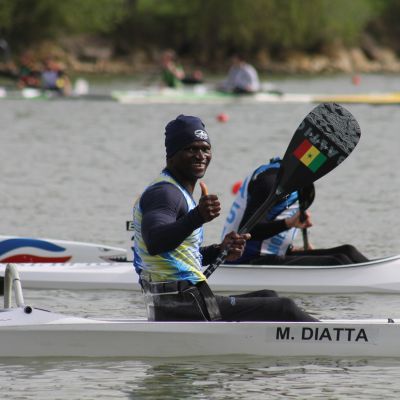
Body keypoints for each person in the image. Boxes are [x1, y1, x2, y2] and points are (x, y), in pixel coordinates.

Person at [132, 115, 317, 322]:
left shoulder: (177, 191)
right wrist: (197, 217)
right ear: (172, 155)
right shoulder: (165, 193)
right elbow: (155, 242)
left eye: (205, 149)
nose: (200, 155)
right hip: (180, 304)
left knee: (269, 296)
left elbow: (181, 255)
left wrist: (220, 250)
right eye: (191, 149)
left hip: (184, 301)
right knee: (284, 307)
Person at [222, 157, 369, 266]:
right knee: (338, 261)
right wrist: (288, 223)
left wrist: (291, 248)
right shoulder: (270, 182)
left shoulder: (292, 178)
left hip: (269, 254)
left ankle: (376, 274)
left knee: (348, 251)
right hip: (244, 260)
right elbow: (248, 230)